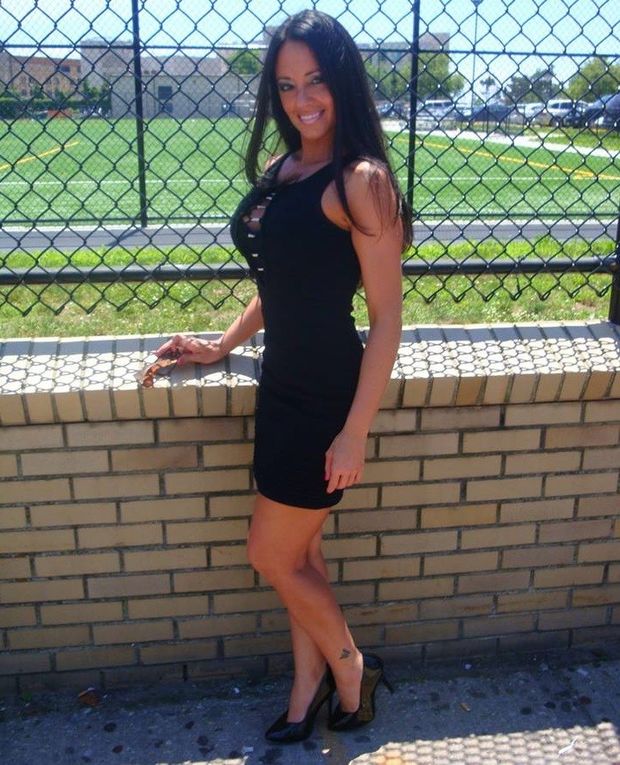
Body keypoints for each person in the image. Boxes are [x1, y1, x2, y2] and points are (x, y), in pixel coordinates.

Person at [154, 9, 412, 744]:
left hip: (327, 395)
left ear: (344, 83)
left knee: (269, 554)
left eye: (317, 80)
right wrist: (219, 346)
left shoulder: (361, 180)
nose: (303, 99)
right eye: (288, 84)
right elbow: (278, 282)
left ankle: (352, 667)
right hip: (281, 385)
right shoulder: (284, 167)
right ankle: (306, 687)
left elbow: (387, 320)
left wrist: (354, 432)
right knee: (300, 554)